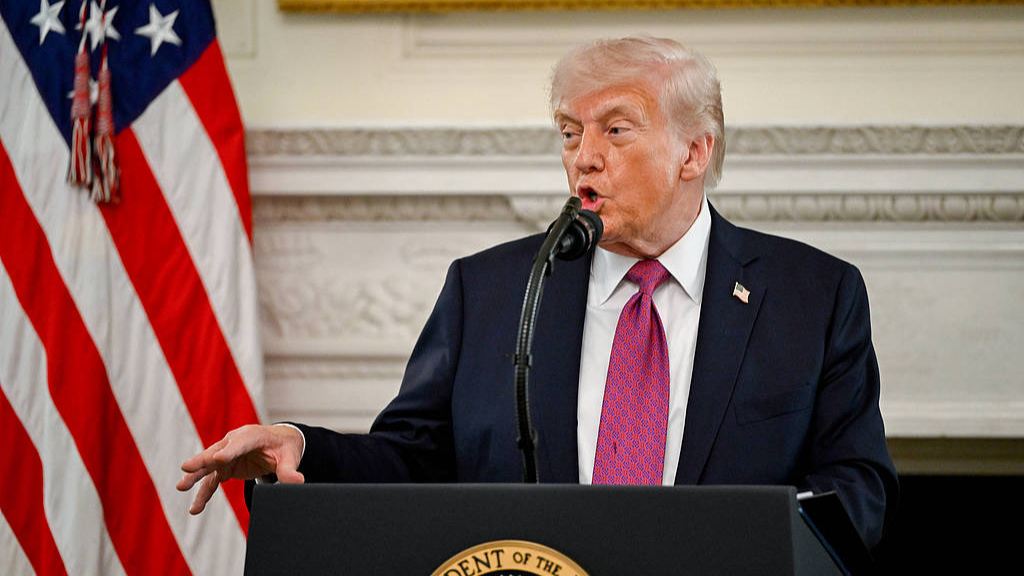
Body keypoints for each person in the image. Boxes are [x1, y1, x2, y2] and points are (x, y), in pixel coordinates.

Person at [178, 36, 897, 549]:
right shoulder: (489, 290)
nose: (584, 155)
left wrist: (746, 540)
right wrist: (302, 444)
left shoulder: (813, 295)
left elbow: (858, 493)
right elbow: (415, 460)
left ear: (694, 152)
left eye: (617, 129)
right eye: (569, 132)